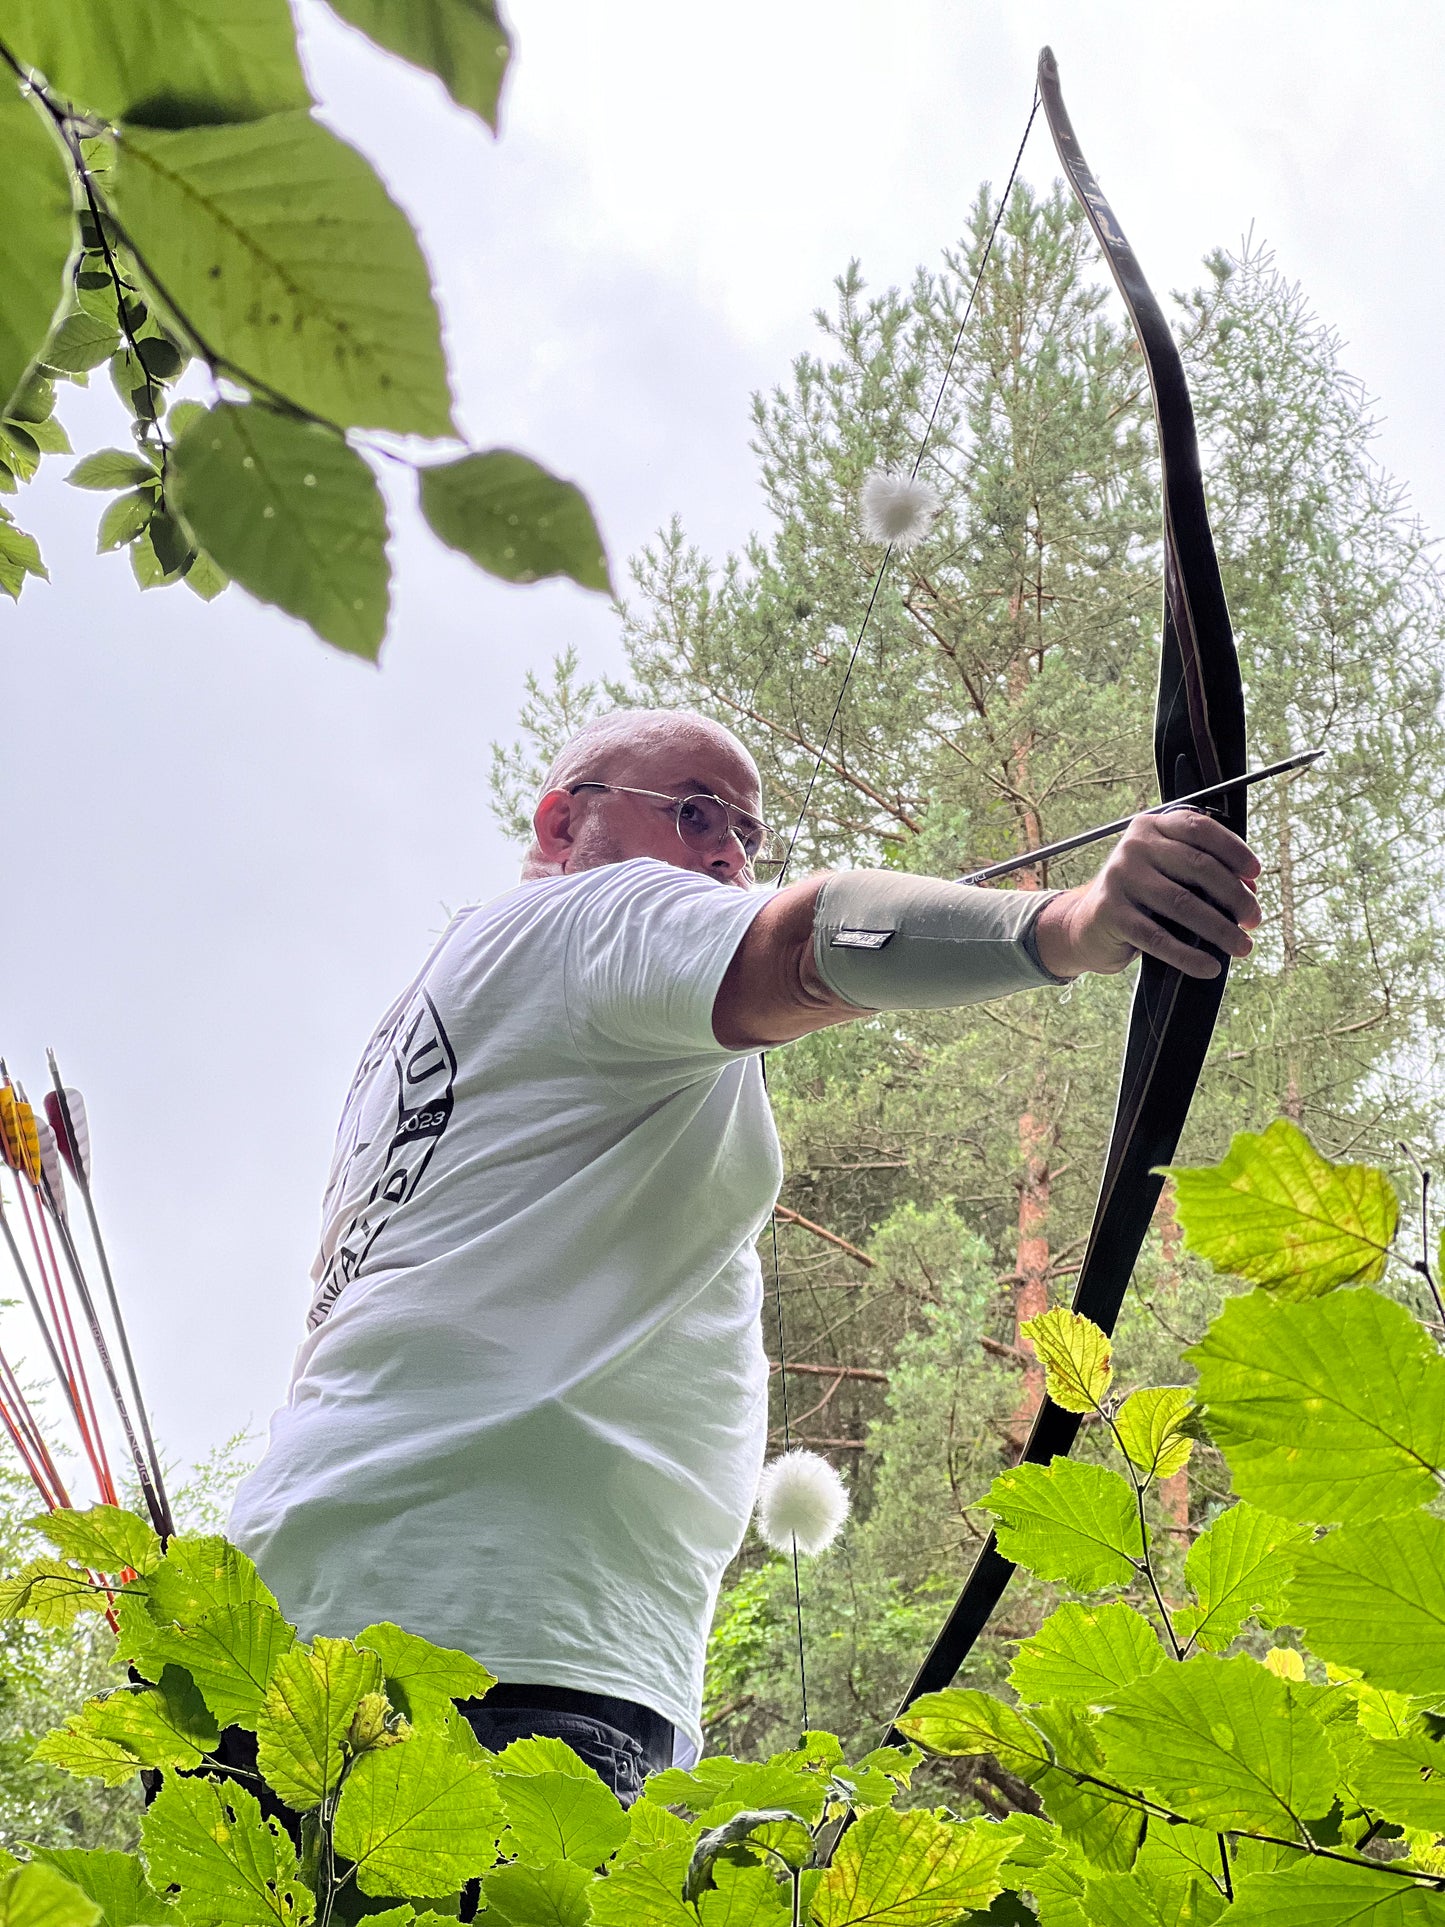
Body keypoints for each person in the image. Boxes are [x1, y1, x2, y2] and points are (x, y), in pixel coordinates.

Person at [228, 706, 1261, 1801]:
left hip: (291, 1626)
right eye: (690, 813)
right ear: (560, 823)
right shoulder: (587, 919)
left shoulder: (439, 1016)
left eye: (748, 836)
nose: (725, 852)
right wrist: (1076, 921)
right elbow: (805, 941)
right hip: (496, 1635)